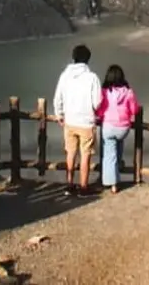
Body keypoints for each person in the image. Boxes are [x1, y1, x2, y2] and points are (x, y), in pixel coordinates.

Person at [53, 44, 102, 196]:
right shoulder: (92, 77)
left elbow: (57, 98)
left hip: (70, 121)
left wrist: (59, 115)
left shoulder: (64, 75)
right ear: (88, 59)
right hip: (86, 122)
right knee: (85, 154)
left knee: (70, 153)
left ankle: (69, 184)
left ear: (73, 58)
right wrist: (94, 111)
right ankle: (83, 187)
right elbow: (97, 101)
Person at [96, 64, 140, 194]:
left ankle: (113, 183)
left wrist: (98, 116)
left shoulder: (104, 92)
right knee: (117, 146)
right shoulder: (128, 92)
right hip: (123, 128)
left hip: (109, 126)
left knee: (109, 155)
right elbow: (134, 110)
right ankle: (118, 166)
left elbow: (100, 109)